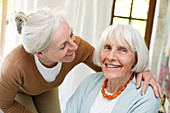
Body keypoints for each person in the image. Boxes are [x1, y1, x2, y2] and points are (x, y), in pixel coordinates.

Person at [0, 9, 161, 113]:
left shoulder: (77, 46)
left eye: (71, 34)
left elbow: (109, 64)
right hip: (18, 93)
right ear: (40, 52)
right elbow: (5, 104)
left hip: (47, 88)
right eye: (63, 46)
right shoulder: (13, 67)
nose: (73, 46)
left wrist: (142, 68)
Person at [64, 24, 160, 113]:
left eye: (123, 50)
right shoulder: (89, 82)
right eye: (108, 47)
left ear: (136, 58)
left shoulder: (146, 96)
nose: (110, 57)